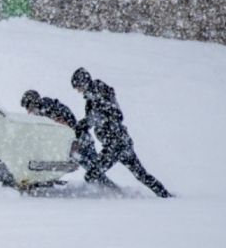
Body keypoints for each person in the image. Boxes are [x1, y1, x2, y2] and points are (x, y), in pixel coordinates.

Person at [71, 67, 173, 198]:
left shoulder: (98, 92)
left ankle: (110, 197)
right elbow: (94, 120)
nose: (77, 90)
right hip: (121, 142)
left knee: (92, 174)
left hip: (115, 144)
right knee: (141, 175)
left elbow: (116, 115)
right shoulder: (93, 97)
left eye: (77, 86)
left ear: (83, 82)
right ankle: (165, 196)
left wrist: (87, 122)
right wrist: (82, 126)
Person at [21, 90, 118, 190]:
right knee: (94, 170)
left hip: (80, 142)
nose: (29, 111)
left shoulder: (48, 110)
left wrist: (69, 133)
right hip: (78, 141)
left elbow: (68, 125)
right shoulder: (48, 108)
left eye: (29, 107)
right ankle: (110, 189)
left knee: (94, 170)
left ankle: (112, 190)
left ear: (34, 102)